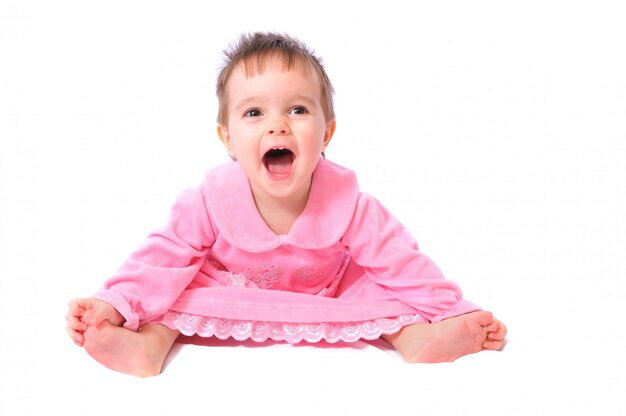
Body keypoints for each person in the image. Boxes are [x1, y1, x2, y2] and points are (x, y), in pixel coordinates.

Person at [66, 32, 507, 377]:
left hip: (328, 292)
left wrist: (453, 311)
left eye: (297, 110)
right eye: (254, 113)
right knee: (176, 287)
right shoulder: (208, 200)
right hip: (228, 293)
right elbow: (160, 259)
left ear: (327, 133)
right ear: (228, 139)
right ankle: (148, 346)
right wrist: (116, 302)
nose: (277, 126)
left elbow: (404, 265)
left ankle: (417, 339)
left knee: (380, 287)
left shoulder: (351, 204)